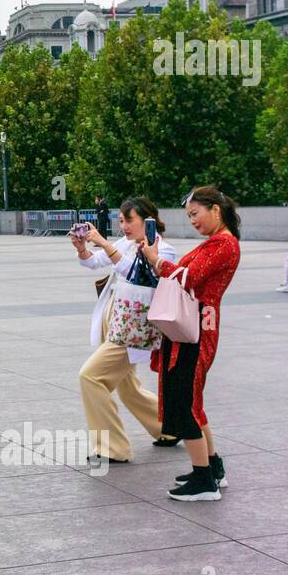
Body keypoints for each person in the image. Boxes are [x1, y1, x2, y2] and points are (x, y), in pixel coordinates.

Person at [139, 185, 241, 502]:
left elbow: (188, 278)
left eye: (195, 214)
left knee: (185, 403)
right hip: (193, 328)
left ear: (215, 209)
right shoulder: (217, 242)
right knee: (193, 402)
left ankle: (203, 482)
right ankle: (211, 467)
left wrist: (157, 261)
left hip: (197, 331)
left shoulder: (224, 244)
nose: (193, 221)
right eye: (189, 216)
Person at [73, 198, 178, 462]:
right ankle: (169, 428)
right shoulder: (127, 243)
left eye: (129, 220)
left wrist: (105, 243)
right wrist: (82, 248)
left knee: (91, 377)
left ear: (149, 219)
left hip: (135, 329)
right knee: (127, 387)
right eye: (121, 221)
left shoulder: (163, 250)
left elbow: (136, 274)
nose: (124, 226)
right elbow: (94, 262)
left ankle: (113, 448)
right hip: (118, 320)